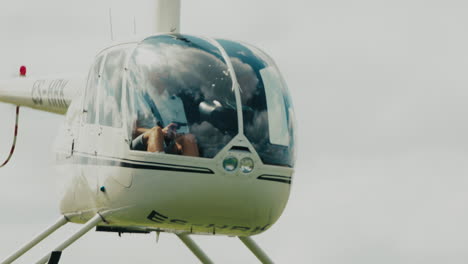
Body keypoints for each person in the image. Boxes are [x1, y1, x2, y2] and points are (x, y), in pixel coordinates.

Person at [132, 122, 199, 157]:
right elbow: (133, 130)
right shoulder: (137, 98)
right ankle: (157, 173)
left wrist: (174, 134)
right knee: (156, 130)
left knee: (189, 138)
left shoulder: (175, 100)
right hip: (141, 145)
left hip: (166, 144)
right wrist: (162, 132)